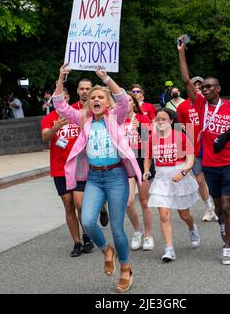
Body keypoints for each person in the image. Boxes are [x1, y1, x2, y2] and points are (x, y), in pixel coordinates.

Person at [52, 63, 141, 293]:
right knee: (89, 221)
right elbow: (60, 105)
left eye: (101, 97)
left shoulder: (116, 117)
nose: (96, 100)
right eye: (93, 98)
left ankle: (125, 268)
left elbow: (122, 99)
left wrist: (105, 78)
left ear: (107, 101)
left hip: (116, 177)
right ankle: (106, 250)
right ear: (89, 103)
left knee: (118, 228)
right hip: (93, 177)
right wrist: (61, 78)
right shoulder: (83, 120)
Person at [178, 35, 230, 265]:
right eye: (202, 87)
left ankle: (227, 247)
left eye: (208, 86)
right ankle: (223, 227)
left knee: (227, 204)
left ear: (218, 88)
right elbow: (186, 80)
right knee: (218, 207)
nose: (203, 89)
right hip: (210, 163)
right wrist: (181, 51)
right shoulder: (199, 105)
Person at [41, 87, 95, 256]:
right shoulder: (49, 118)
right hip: (59, 168)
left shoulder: (76, 114)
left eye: (63, 98)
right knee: (68, 204)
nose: (60, 102)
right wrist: (55, 128)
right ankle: (76, 242)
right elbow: (45, 137)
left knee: (80, 203)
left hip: (79, 166)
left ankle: (87, 235)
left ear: (67, 98)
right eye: (57, 99)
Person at [144, 108, 201, 262]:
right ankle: (169, 249)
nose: (160, 122)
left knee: (184, 215)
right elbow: (148, 157)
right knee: (164, 215)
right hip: (161, 179)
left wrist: (183, 173)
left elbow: (190, 159)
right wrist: (146, 170)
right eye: (158, 119)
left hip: (179, 176)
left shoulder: (180, 136)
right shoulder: (151, 138)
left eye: (164, 119)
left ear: (171, 121)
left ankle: (191, 227)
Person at [176, 76, 217, 222]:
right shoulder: (182, 107)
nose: (198, 87)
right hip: (194, 148)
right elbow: (179, 129)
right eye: (195, 85)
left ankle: (218, 205)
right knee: (200, 180)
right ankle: (210, 207)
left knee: (212, 178)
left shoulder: (209, 103)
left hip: (210, 146)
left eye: (200, 85)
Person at [71, 78, 109, 227]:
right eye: (82, 89)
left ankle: (101, 208)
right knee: (79, 204)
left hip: (98, 159)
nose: (85, 91)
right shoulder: (74, 110)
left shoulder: (102, 108)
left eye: (88, 89)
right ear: (77, 91)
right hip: (81, 160)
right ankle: (89, 230)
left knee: (97, 192)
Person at [123, 91, 155, 251]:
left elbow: (149, 142)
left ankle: (148, 235)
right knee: (128, 202)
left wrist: (139, 129)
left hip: (142, 161)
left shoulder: (142, 118)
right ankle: (137, 231)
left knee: (144, 201)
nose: (126, 102)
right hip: (125, 163)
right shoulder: (116, 119)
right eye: (123, 100)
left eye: (129, 100)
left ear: (134, 104)